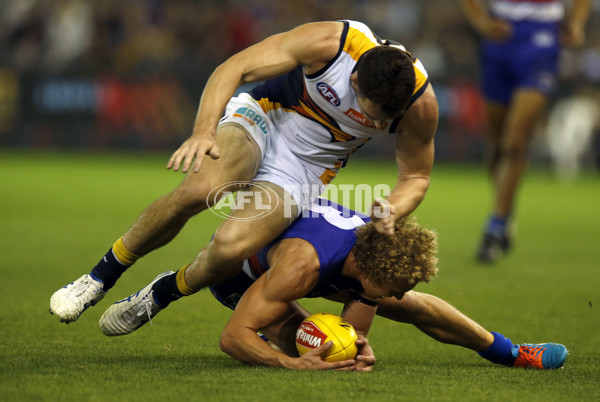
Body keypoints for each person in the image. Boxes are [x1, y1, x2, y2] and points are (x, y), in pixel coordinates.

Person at [49, 20, 438, 323]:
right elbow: (232, 68)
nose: (374, 120)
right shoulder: (330, 44)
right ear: (354, 78)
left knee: (230, 248)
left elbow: (415, 178)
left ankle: (164, 291)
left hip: (308, 165)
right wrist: (203, 131)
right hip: (264, 115)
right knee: (203, 189)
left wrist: (392, 208)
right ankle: (100, 277)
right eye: (371, 109)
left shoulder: (418, 104)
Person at [98, 198, 568, 371]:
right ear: (367, 268)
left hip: (335, 272)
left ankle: (511, 353)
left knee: (414, 308)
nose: (398, 291)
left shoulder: (374, 258)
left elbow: (366, 316)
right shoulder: (300, 267)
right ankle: (164, 289)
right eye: (393, 284)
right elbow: (231, 338)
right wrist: (290, 365)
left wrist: (358, 343)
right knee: (303, 343)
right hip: (244, 276)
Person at [461, 0, 591, 263]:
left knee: (515, 141)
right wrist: (481, 21)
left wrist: (577, 22)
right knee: (497, 144)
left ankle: (496, 225)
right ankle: (504, 212)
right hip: (500, 39)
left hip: (541, 40)